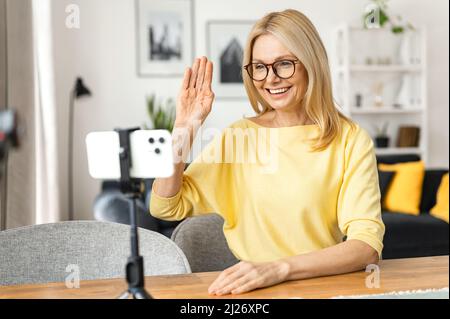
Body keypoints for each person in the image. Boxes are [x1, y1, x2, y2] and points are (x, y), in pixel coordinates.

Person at [150, 9, 385, 296]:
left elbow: (366, 247)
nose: (270, 79)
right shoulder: (240, 136)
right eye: (259, 67)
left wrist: (278, 269)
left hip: (323, 288)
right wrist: (184, 129)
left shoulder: (350, 140)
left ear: (311, 64)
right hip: (255, 294)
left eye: (283, 64)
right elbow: (165, 206)